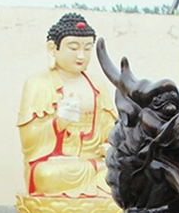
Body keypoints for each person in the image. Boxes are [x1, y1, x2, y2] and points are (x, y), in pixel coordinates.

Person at [17, 13, 117, 198]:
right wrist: (59, 122)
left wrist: (109, 147)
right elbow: (29, 141)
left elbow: (111, 131)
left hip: (95, 162)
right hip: (58, 165)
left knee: (119, 173)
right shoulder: (37, 84)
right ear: (53, 49)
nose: (81, 55)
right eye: (73, 48)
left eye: (87, 49)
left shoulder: (98, 85)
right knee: (46, 175)